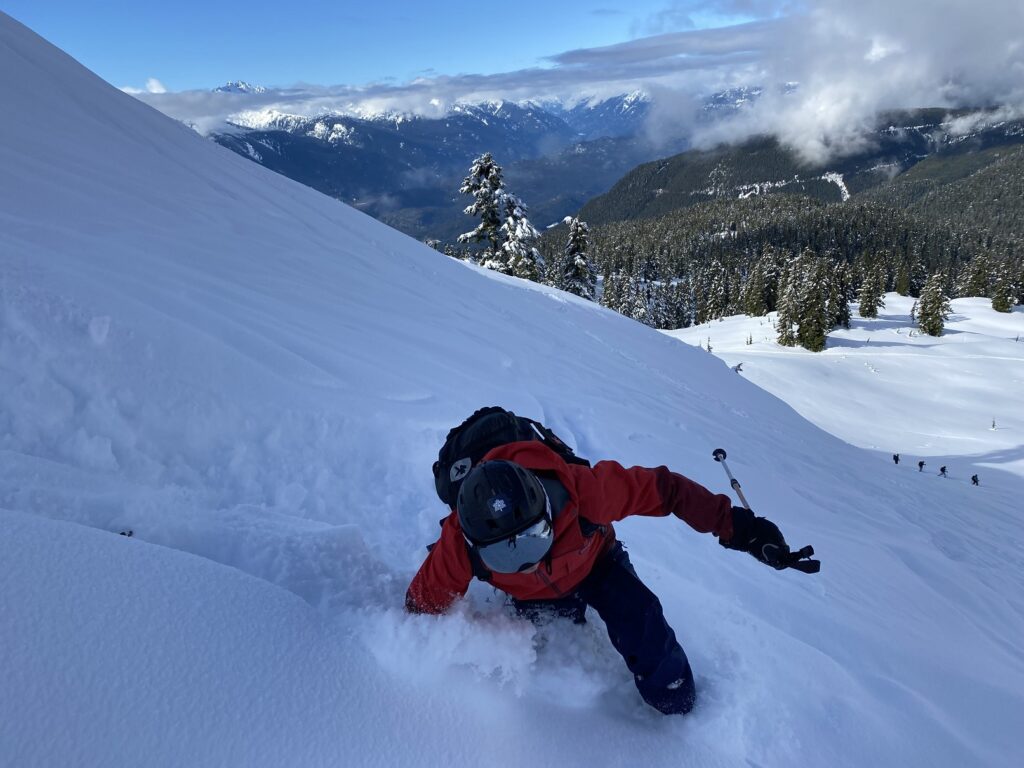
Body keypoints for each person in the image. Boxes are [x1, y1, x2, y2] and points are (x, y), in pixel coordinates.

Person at [405, 440, 798, 716]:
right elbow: (422, 604)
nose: (524, 560)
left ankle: (680, 714)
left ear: (546, 510)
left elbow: (669, 490)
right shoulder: (459, 542)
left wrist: (739, 528)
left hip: (595, 563)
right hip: (528, 597)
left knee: (643, 621)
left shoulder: (585, 493)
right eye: (502, 553)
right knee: (556, 619)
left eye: (532, 538)